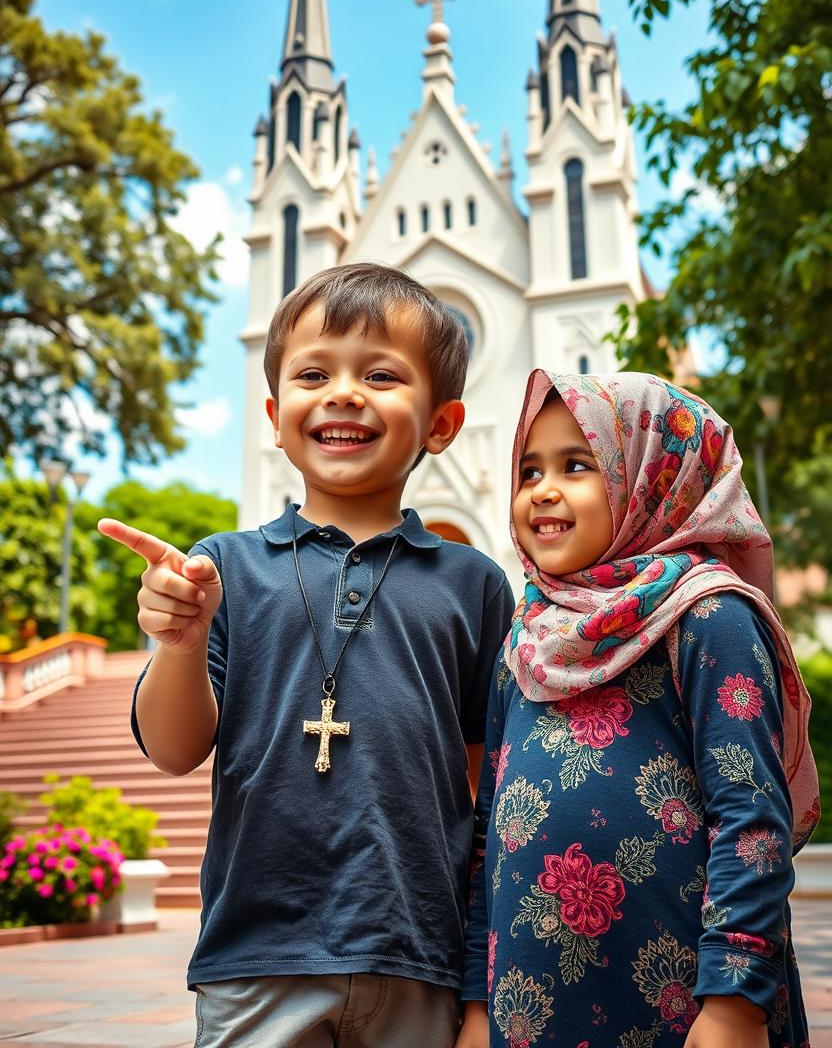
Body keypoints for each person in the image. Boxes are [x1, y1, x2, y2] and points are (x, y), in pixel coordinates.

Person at [98, 263, 515, 1048]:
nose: (344, 392)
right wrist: (179, 642)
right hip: (257, 954)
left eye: (382, 374)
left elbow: (488, 785)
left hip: (418, 954)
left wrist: (481, 984)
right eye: (314, 373)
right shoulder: (223, 568)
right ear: (275, 415)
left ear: (442, 423)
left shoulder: (474, 585)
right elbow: (172, 749)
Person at [458, 370, 818, 1048]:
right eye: (528, 472)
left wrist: (734, 1002)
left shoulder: (709, 616)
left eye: (576, 464)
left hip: (687, 1011)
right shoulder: (527, 643)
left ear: (652, 476)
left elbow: (750, 819)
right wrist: (477, 1006)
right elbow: (488, 841)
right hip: (527, 1012)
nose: (543, 490)